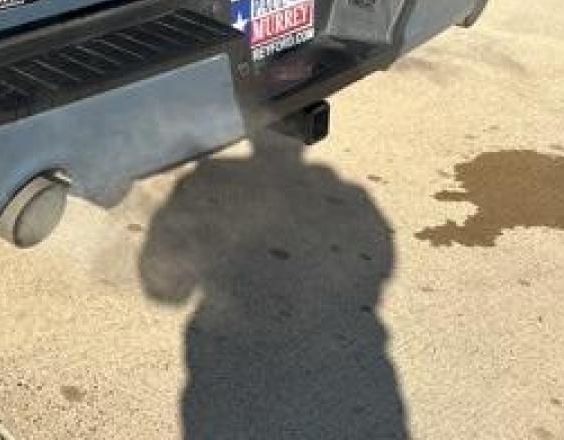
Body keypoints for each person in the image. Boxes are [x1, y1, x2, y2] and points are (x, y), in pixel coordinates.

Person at [140, 131, 407, 440]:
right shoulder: (352, 198)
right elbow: (376, 268)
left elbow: (164, 287)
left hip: (227, 369)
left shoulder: (207, 182)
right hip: (345, 372)